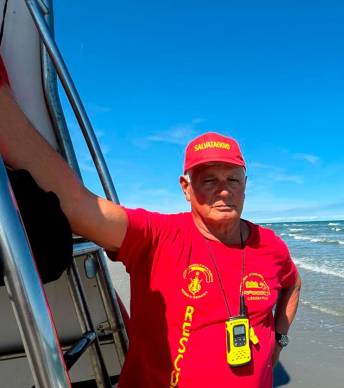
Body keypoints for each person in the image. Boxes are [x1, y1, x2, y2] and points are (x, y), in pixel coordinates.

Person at [0, 57, 301, 387]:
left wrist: (280, 339)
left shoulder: (269, 245)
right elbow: (77, 205)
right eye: (209, 180)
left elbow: (292, 283)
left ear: (246, 182)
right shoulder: (157, 237)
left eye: (233, 179)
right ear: (186, 188)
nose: (224, 191)